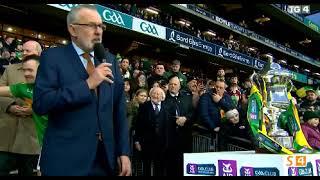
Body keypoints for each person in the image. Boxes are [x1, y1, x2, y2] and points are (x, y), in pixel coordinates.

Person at [32, 5, 131, 176]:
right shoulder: (53, 58)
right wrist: (87, 85)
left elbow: (119, 111)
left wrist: (123, 151)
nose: (99, 31)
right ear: (73, 29)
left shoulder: (110, 60)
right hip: (65, 161)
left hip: (105, 161)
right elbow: (41, 103)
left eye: (101, 26)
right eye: (92, 25)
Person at [0, 40, 42, 176]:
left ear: (38, 53)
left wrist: (34, 109)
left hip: (30, 138)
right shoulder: (10, 69)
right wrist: (10, 106)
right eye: (22, 50)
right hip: (6, 133)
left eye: (28, 51)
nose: (24, 53)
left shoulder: (48, 73)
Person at [0, 55, 47, 146]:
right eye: (24, 70)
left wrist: (34, 110)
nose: (25, 74)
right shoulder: (24, 88)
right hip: (44, 146)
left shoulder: (59, 88)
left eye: (30, 70)